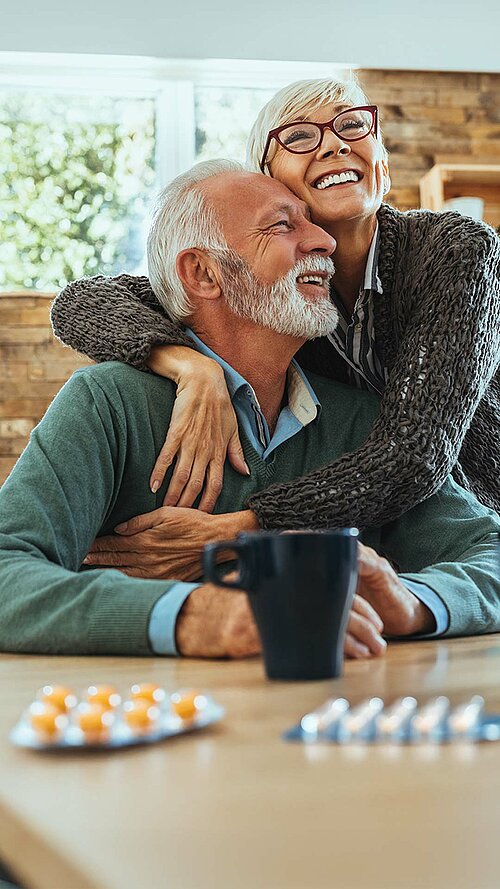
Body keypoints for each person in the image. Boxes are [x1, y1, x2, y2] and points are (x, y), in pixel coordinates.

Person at [1, 160, 499, 661]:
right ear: (203, 273)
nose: (324, 241)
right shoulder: (108, 403)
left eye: (311, 223)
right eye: (282, 225)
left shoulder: (361, 421)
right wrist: (194, 616)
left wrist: (413, 603)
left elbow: (490, 553)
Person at [51, 77, 500, 545]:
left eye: (352, 125)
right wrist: (191, 367)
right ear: (269, 181)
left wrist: (242, 531)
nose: (335, 144)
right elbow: (83, 302)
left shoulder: (457, 250)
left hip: (475, 521)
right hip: (354, 533)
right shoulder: (274, 290)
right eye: (300, 136)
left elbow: (415, 453)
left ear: (382, 168)